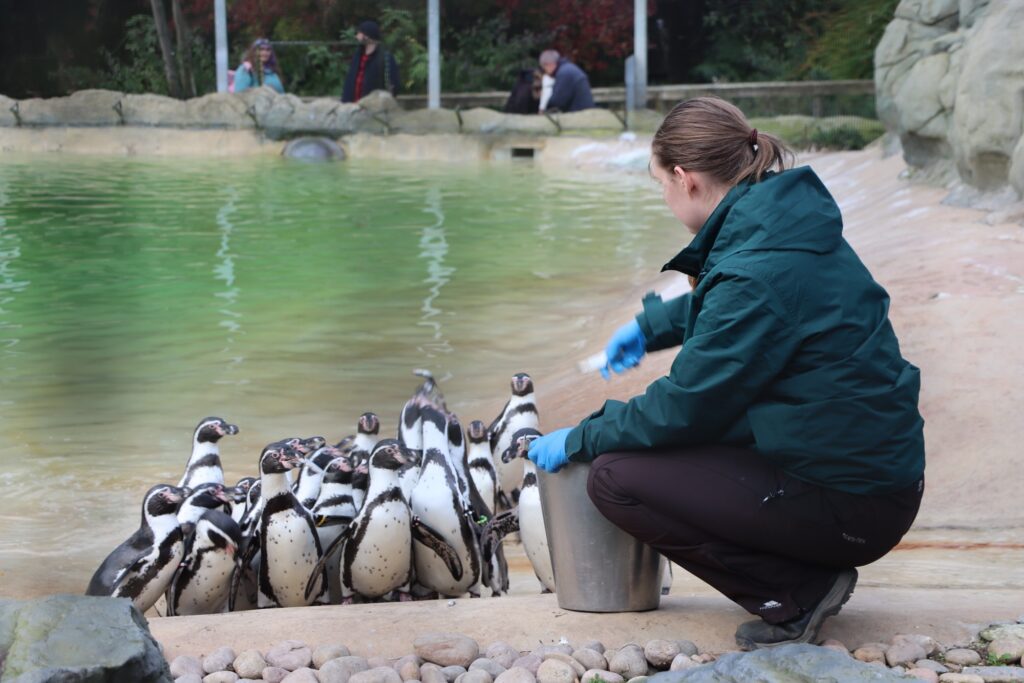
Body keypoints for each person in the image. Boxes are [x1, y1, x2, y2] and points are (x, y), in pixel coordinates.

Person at [527, 97, 925, 650]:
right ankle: (802, 573)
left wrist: (582, 435)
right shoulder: (782, 225)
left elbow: (684, 406)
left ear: (685, 179)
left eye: (660, 182)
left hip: (854, 503)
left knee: (616, 479)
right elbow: (756, 306)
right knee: (663, 449)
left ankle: (796, 592)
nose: (663, 195)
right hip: (871, 478)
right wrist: (652, 327)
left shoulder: (756, 268)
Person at [341, 20, 400, 103]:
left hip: (373, 107)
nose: (357, 36)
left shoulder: (385, 57)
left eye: (359, 33)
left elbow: (393, 85)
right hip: (353, 107)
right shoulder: (357, 55)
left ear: (367, 36)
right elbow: (349, 81)